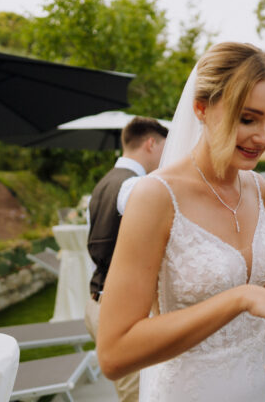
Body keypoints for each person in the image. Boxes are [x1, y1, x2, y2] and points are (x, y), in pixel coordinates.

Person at [96, 42, 265, 401]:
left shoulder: (258, 187)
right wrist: (243, 297)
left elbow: (229, 277)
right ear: (201, 108)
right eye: (247, 118)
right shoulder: (156, 197)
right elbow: (113, 354)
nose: (264, 137)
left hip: (261, 383)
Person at [85, 116, 168, 402]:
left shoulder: (101, 187)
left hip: (97, 302)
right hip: (121, 314)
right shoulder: (136, 187)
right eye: (164, 148)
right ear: (150, 144)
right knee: (138, 396)